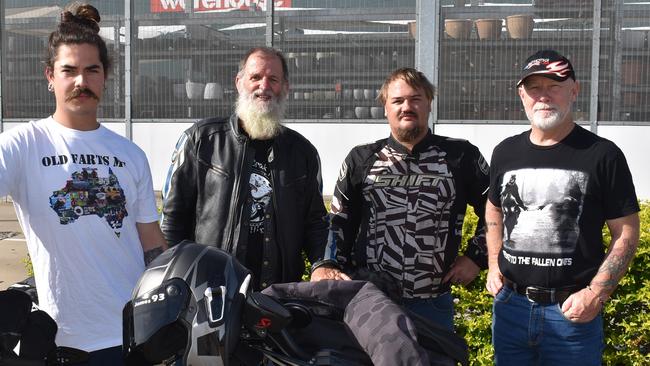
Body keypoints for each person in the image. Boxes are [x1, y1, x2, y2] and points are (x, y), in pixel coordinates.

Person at [0, 3, 167, 363]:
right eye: (69, 70)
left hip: (131, 335)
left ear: (105, 76)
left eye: (92, 70)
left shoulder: (130, 154)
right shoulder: (23, 144)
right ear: (50, 76)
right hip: (59, 338)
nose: (81, 81)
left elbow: (150, 241)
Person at [485, 49, 640, 365]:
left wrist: (595, 294)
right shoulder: (505, 152)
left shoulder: (602, 155)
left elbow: (626, 231)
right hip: (510, 310)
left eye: (554, 85)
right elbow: (493, 209)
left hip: (572, 315)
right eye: (534, 88)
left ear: (574, 90)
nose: (543, 96)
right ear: (521, 95)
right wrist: (492, 263)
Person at [311, 68, 490, 332]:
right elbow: (338, 220)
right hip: (372, 301)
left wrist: (476, 256)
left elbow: (497, 209)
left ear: (429, 103)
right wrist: (326, 263)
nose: (407, 107)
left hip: (433, 304)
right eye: (397, 101)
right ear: (385, 108)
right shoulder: (361, 159)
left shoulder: (461, 156)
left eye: (416, 99)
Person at [161, 47, 329, 291]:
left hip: (279, 294)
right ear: (239, 83)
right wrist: (174, 281)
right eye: (255, 77)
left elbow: (315, 223)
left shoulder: (303, 152)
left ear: (285, 87)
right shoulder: (201, 140)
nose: (264, 86)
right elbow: (172, 219)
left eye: (273, 79)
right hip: (211, 291)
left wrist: (322, 264)